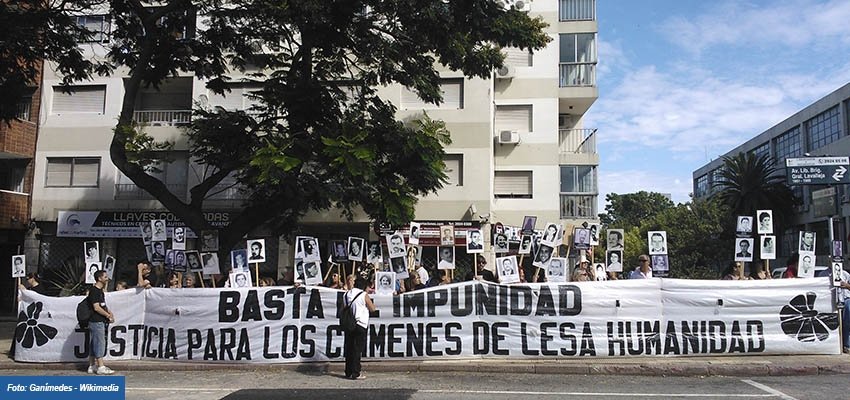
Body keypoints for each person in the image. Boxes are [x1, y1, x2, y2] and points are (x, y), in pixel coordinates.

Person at [344, 276, 376, 380]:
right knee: (357, 349)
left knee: (349, 348)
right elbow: (372, 309)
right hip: (360, 324)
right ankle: (356, 372)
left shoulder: (346, 294)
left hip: (349, 324)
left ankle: (348, 371)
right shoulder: (363, 295)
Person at [87, 270, 115, 375]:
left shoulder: (100, 291)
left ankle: (91, 365)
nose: (107, 279)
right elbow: (96, 307)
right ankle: (101, 366)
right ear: (99, 278)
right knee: (99, 342)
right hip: (96, 320)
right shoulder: (94, 291)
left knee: (94, 342)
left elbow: (103, 305)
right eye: (105, 277)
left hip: (100, 320)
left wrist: (110, 313)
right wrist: (107, 315)